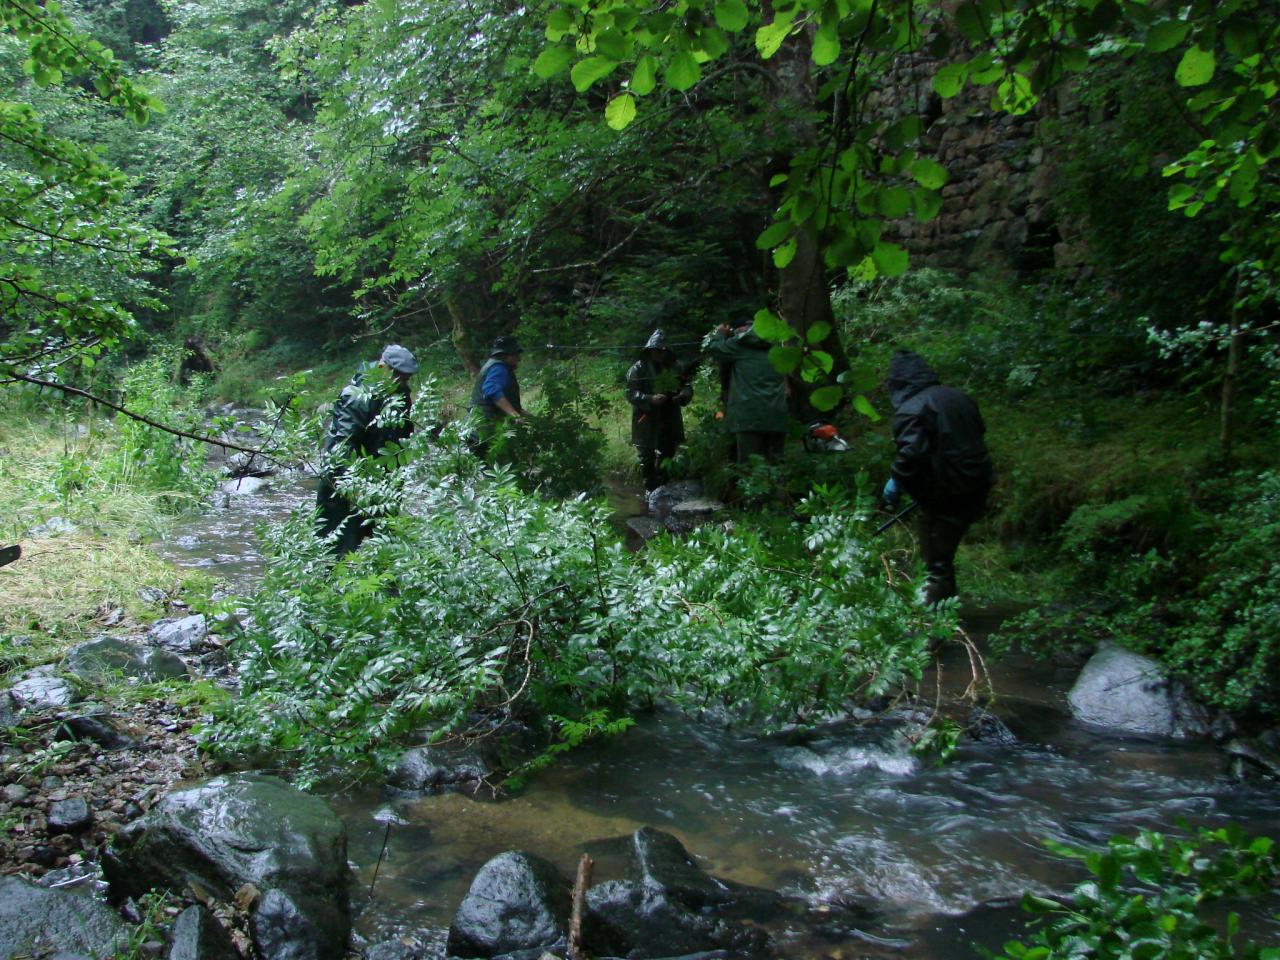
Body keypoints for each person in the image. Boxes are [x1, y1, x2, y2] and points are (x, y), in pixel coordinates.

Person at [882, 349, 994, 605]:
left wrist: (897, 480)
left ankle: (931, 628)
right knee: (940, 556)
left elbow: (913, 454)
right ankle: (946, 612)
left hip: (946, 494)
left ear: (898, 383)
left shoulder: (912, 409)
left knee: (935, 562)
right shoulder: (959, 398)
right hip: (976, 485)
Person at [316, 344, 417, 554]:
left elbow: (403, 433)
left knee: (384, 543)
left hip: (382, 479)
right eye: (397, 375)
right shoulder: (357, 396)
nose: (401, 382)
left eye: (405, 377)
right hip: (344, 483)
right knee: (335, 548)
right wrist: (352, 487)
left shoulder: (401, 393)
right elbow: (342, 446)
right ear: (382, 367)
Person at [704, 319, 788, 466]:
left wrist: (720, 334)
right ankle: (778, 489)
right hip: (777, 415)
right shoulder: (778, 345)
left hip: (748, 416)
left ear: (742, 329)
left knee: (749, 467)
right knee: (776, 465)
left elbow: (714, 349)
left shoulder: (740, 344)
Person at [626, 329, 692, 491]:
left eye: (662, 351)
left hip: (669, 415)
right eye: (656, 351)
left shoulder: (676, 367)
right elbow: (630, 393)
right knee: (646, 455)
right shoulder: (638, 369)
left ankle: (663, 488)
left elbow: (687, 387)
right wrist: (649, 399)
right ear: (649, 350)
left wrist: (682, 396)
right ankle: (649, 489)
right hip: (646, 417)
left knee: (668, 451)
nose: (659, 354)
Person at [469, 335, 525, 455]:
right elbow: (491, 390)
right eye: (516, 355)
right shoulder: (499, 368)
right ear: (506, 355)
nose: (519, 359)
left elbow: (503, 402)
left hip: (480, 432)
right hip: (486, 435)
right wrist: (514, 414)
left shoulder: (493, 366)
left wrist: (531, 418)